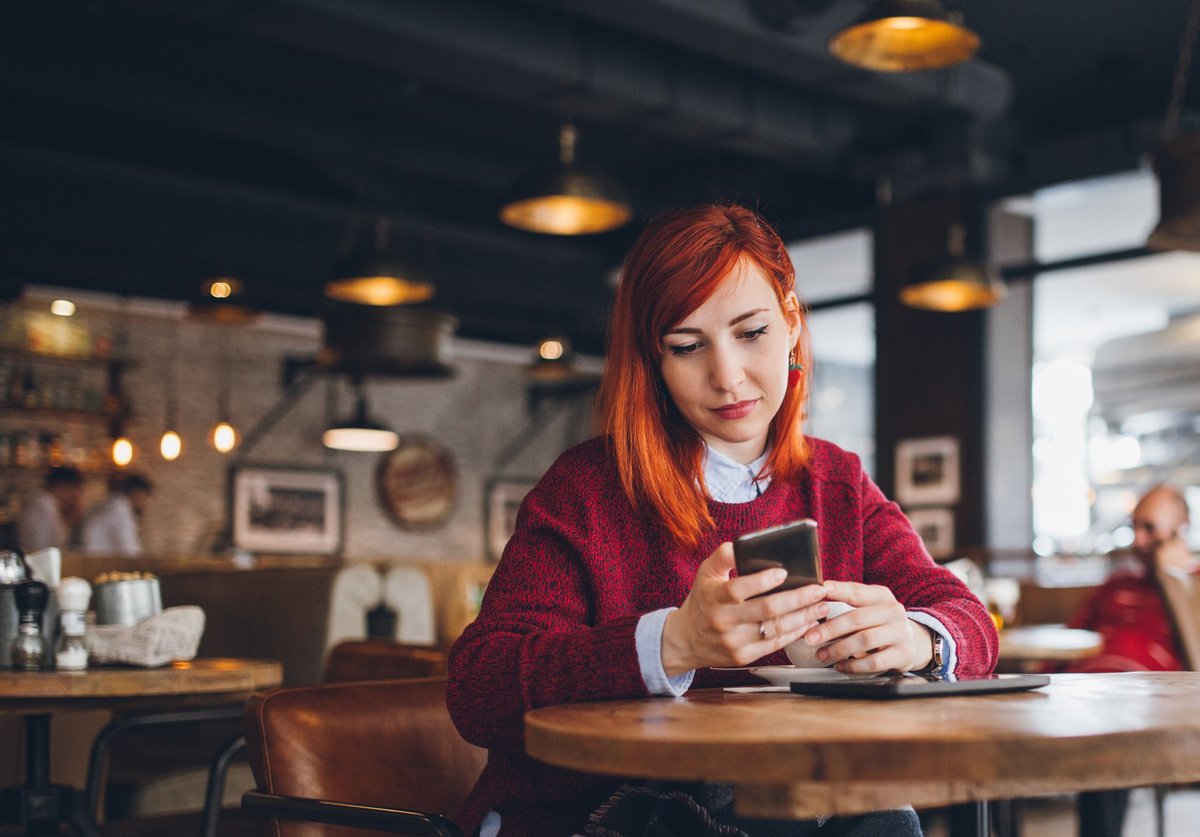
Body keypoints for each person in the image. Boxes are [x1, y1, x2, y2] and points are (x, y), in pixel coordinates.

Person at [447, 203, 998, 837]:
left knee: (878, 818)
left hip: (789, 804)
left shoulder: (834, 481)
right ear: (652, 360)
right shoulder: (589, 488)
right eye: (687, 346)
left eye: (752, 332)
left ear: (791, 321)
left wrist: (918, 639)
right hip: (582, 816)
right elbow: (479, 689)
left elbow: (969, 622)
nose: (727, 377)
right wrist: (672, 644)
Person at [1068, 484, 1197, 837]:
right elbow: (1070, 640)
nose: (1138, 540)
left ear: (1180, 529)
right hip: (1085, 691)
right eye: (1135, 527)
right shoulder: (1116, 583)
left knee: (1106, 734)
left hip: (1149, 700)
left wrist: (1174, 578)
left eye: (1150, 529)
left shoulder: (1193, 586)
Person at [79, 473, 153, 556]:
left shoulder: (110, 506)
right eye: (145, 498)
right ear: (137, 493)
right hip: (101, 563)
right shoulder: (121, 512)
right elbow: (130, 550)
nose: (146, 503)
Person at [16, 465, 84, 554]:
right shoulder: (39, 510)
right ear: (61, 486)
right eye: (74, 489)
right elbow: (43, 548)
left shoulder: (48, 507)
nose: (75, 496)